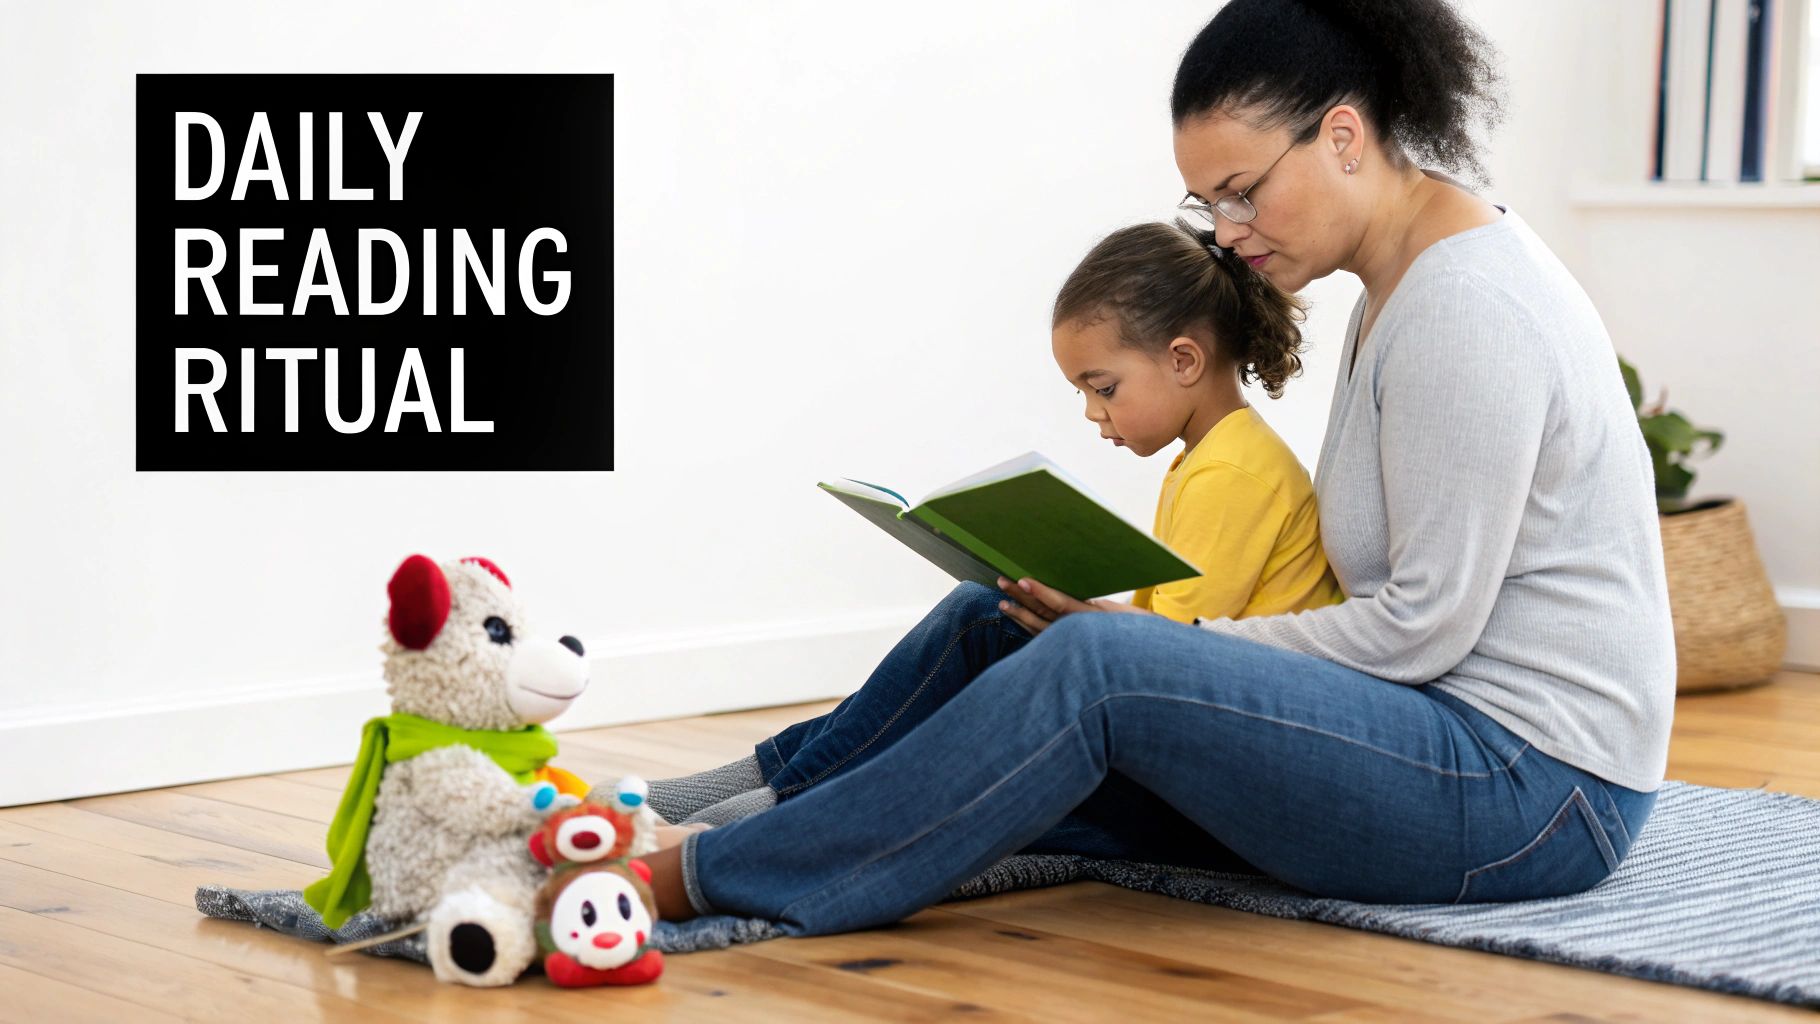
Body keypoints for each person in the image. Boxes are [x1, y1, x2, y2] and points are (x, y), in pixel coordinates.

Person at [633, 0, 1675, 931]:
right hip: (1438, 742)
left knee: (1096, 664)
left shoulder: (1465, 309)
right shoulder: (1394, 288)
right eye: (1207, 205)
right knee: (1000, 620)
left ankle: (702, 873)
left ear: (1344, 137)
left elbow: (1418, 626)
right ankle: (682, 808)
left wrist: (1165, 647)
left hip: (1531, 792)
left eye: (1241, 193)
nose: (1227, 233)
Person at [645, 218, 1348, 833]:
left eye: (1104, 389)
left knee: (982, 618)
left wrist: (1078, 622)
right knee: (987, 615)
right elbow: (1172, 634)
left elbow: (1183, 657)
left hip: (1220, 763)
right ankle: (759, 787)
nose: (1093, 413)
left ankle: (776, 800)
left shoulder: (1235, 473)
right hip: (1197, 727)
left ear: (1184, 359)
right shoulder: (1213, 460)